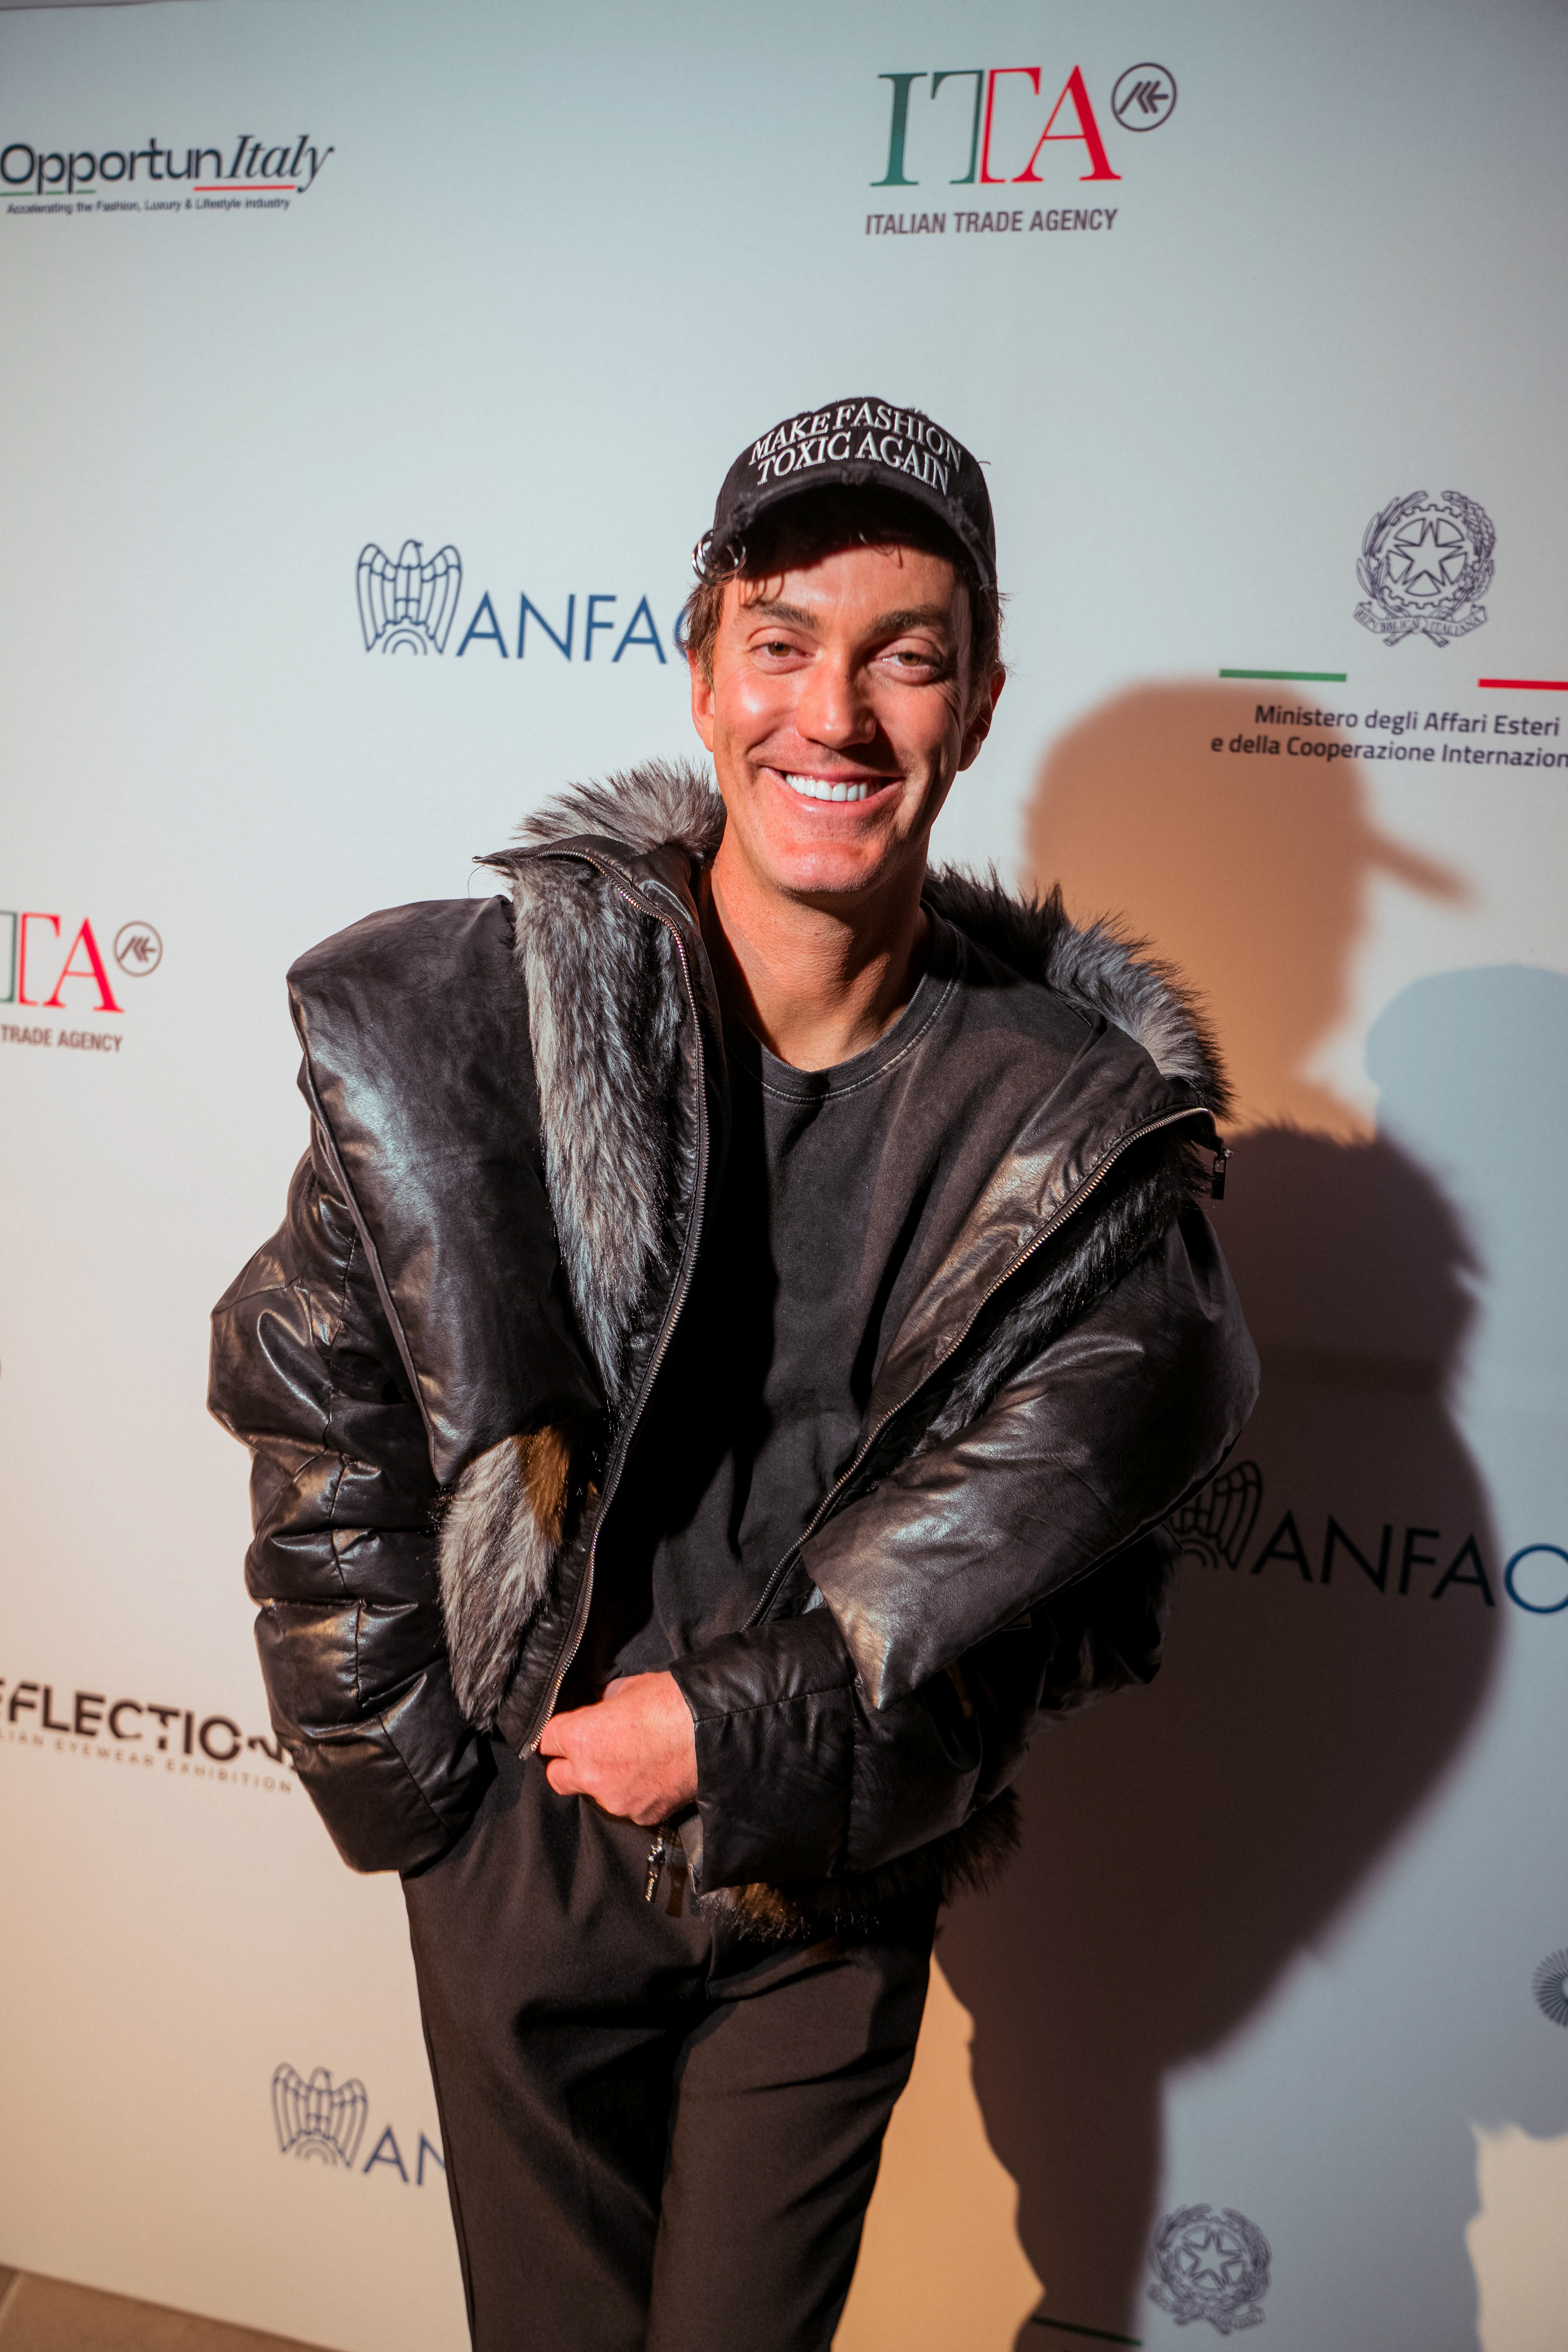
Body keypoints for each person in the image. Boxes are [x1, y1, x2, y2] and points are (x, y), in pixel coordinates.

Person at [209, 396, 1258, 2352]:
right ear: (703, 677)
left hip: (829, 1870)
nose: (832, 715)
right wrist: (421, 1793)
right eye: (782, 643)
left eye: (903, 657)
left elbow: (1071, 1587)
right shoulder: (483, 1021)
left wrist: (751, 1734)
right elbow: (311, 1383)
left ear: (979, 701)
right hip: (523, 1843)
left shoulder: (1078, 1133)